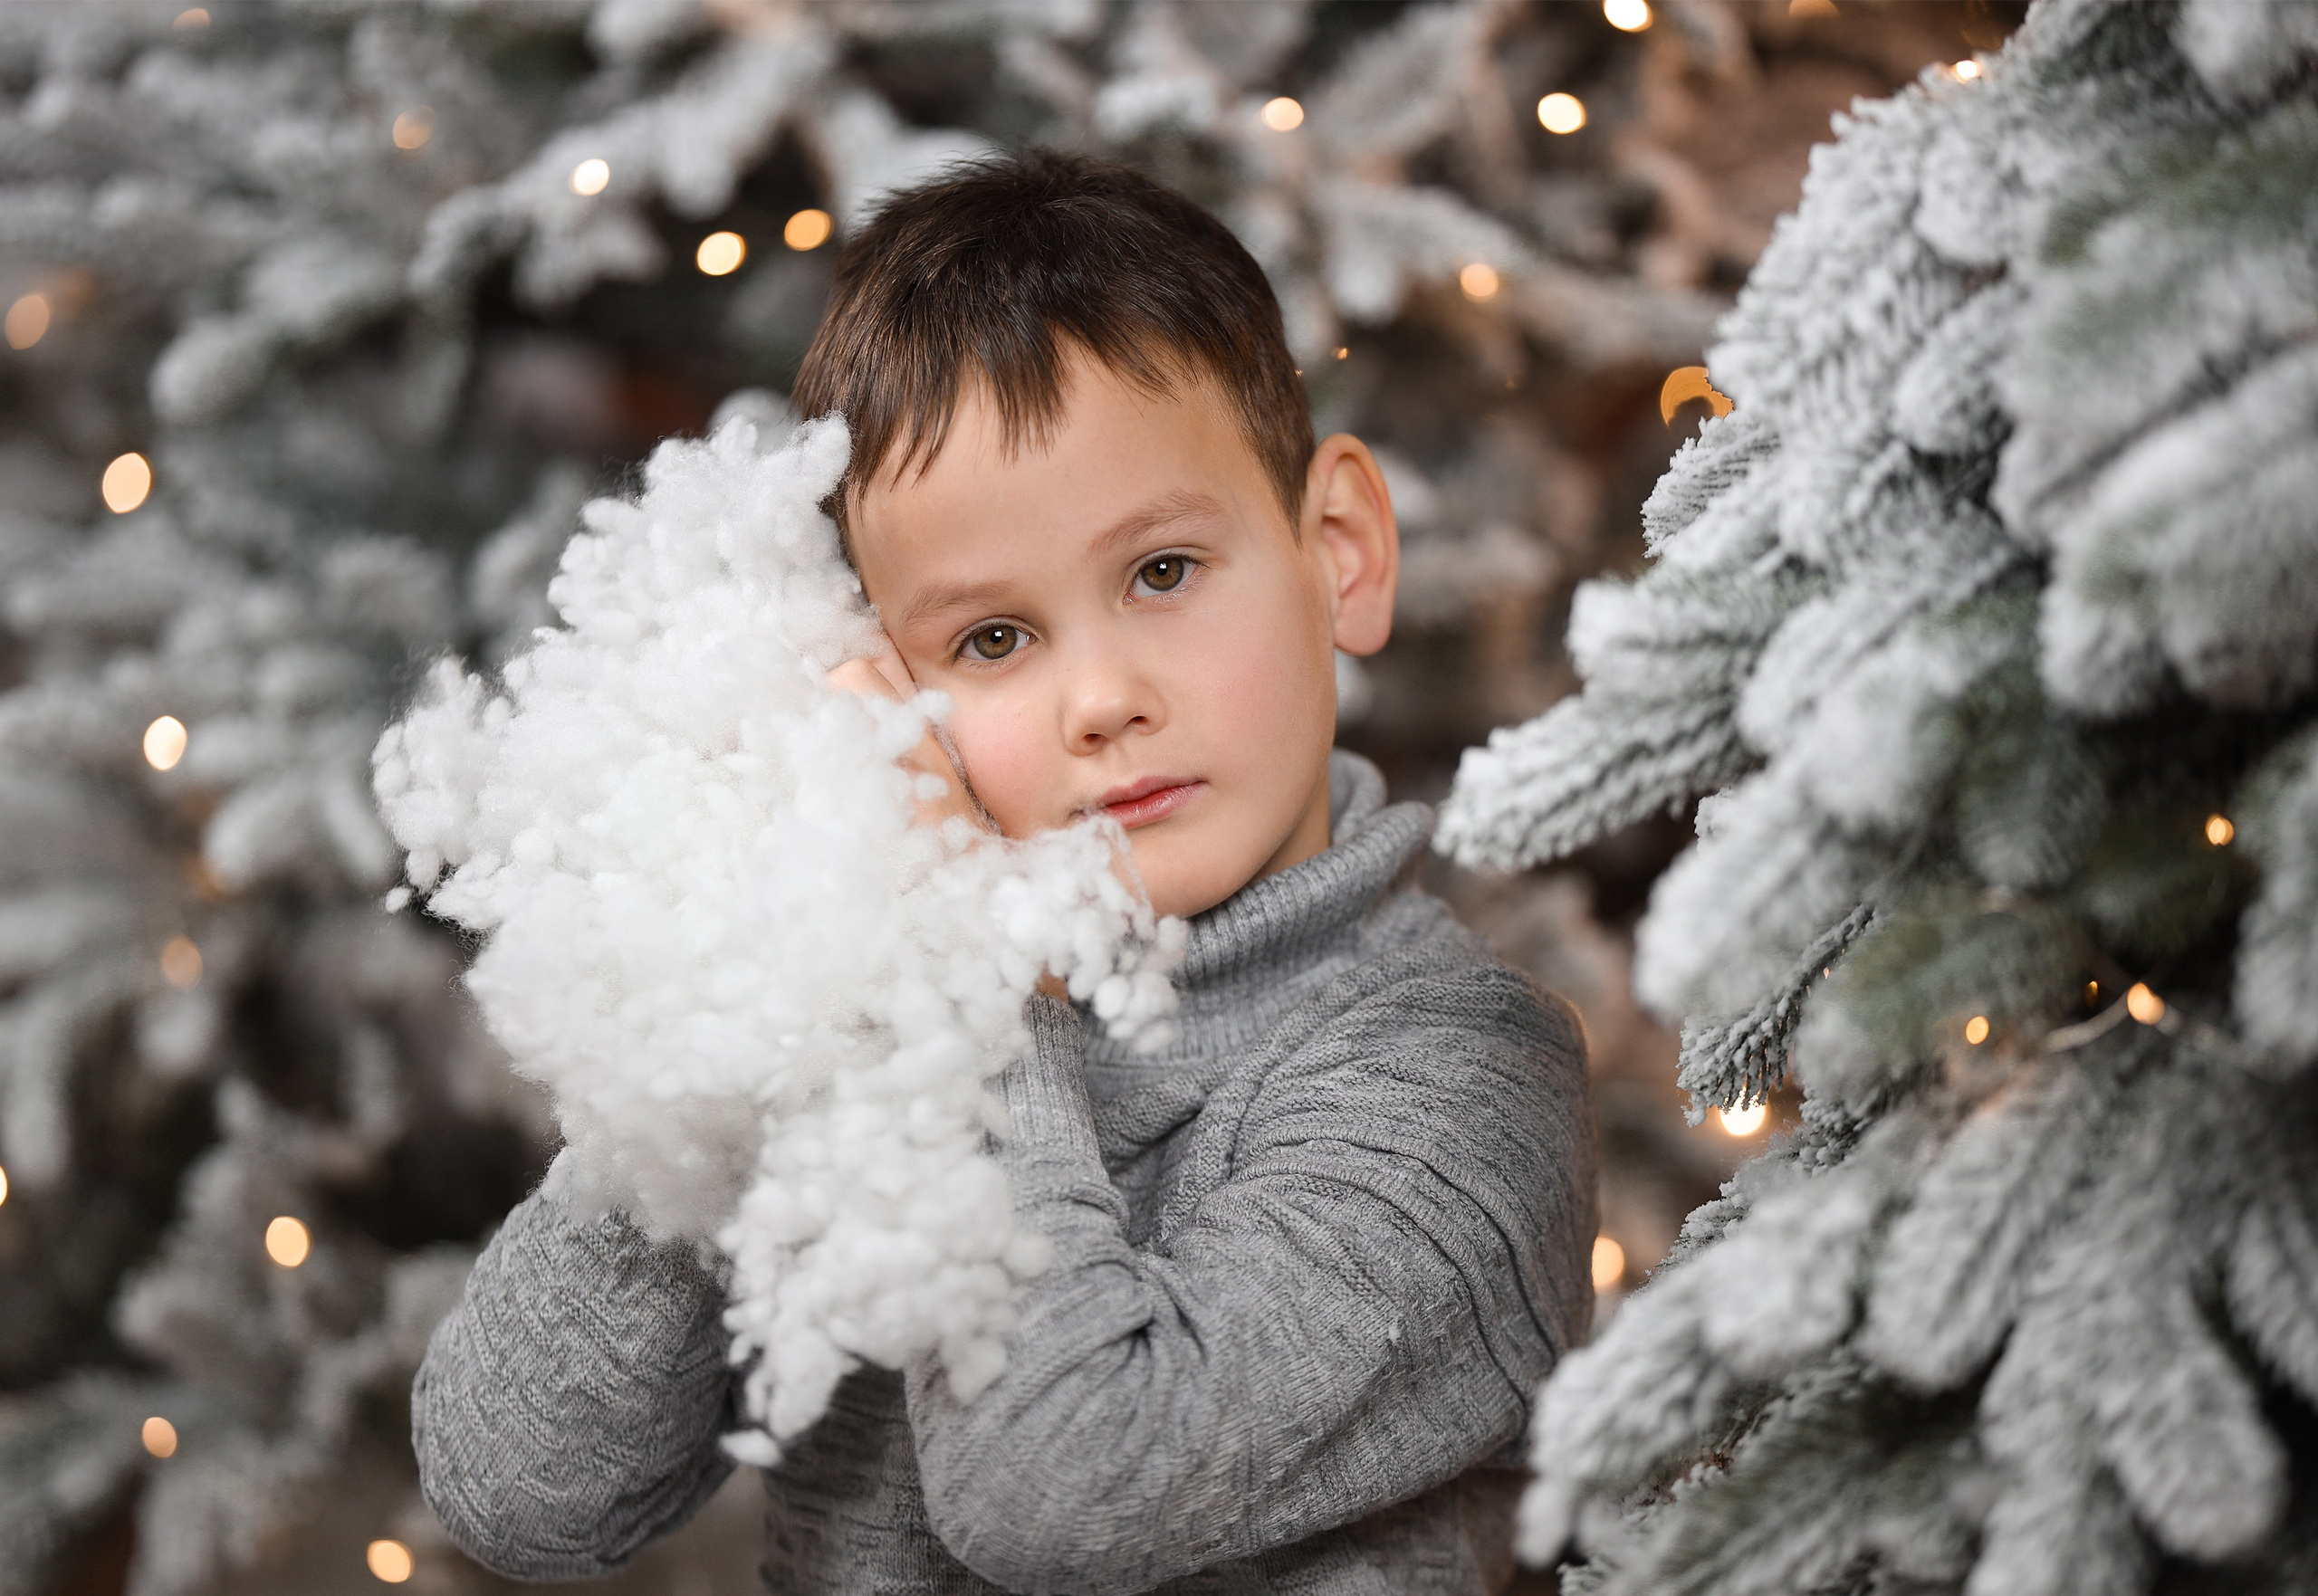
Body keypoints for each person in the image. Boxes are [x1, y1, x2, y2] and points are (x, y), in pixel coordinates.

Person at [411, 149, 1596, 1595]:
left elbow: (1064, 1487)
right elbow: (520, 1485)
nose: (1100, 698)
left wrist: (951, 983)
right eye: (991, 640)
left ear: (1336, 550)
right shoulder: (858, 983)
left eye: (1162, 572)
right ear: (880, 682)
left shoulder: (1463, 1084)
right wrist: (768, 929)